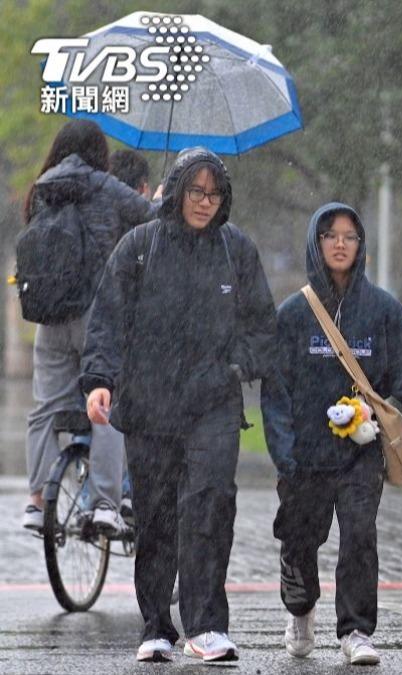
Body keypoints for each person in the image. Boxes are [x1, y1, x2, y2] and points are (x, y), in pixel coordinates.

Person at [81, 147, 277, 664]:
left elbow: (262, 325)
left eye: (214, 193)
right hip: (149, 404)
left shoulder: (236, 250)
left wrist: (237, 364)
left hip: (213, 403)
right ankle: (155, 624)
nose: (204, 202)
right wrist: (100, 380)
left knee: (211, 504)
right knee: (157, 515)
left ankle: (208, 623)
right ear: (177, 189)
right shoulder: (138, 247)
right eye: (196, 191)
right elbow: (107, 319)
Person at [263, 202, 402, 667]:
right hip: (305, 457)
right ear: (315, 243)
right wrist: (283, 449)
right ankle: (300, 609)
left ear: (360, 245)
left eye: (349, 236)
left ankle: (356, 630)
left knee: (360, 536)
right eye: (330, 235)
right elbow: (276, 389)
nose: (340, 244)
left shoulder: (384, 311)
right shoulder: (293, 314)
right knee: (301, 539)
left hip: (361, 453)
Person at [20, 120, 154, 535]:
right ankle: (104, 503)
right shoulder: (106, 187)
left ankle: (38, 502)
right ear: (99, 152)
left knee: (45, 407)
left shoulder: (41, 189)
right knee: (105, 407)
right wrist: (162, 199)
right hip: (98, 318)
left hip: (49, 317)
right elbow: (151, 221)